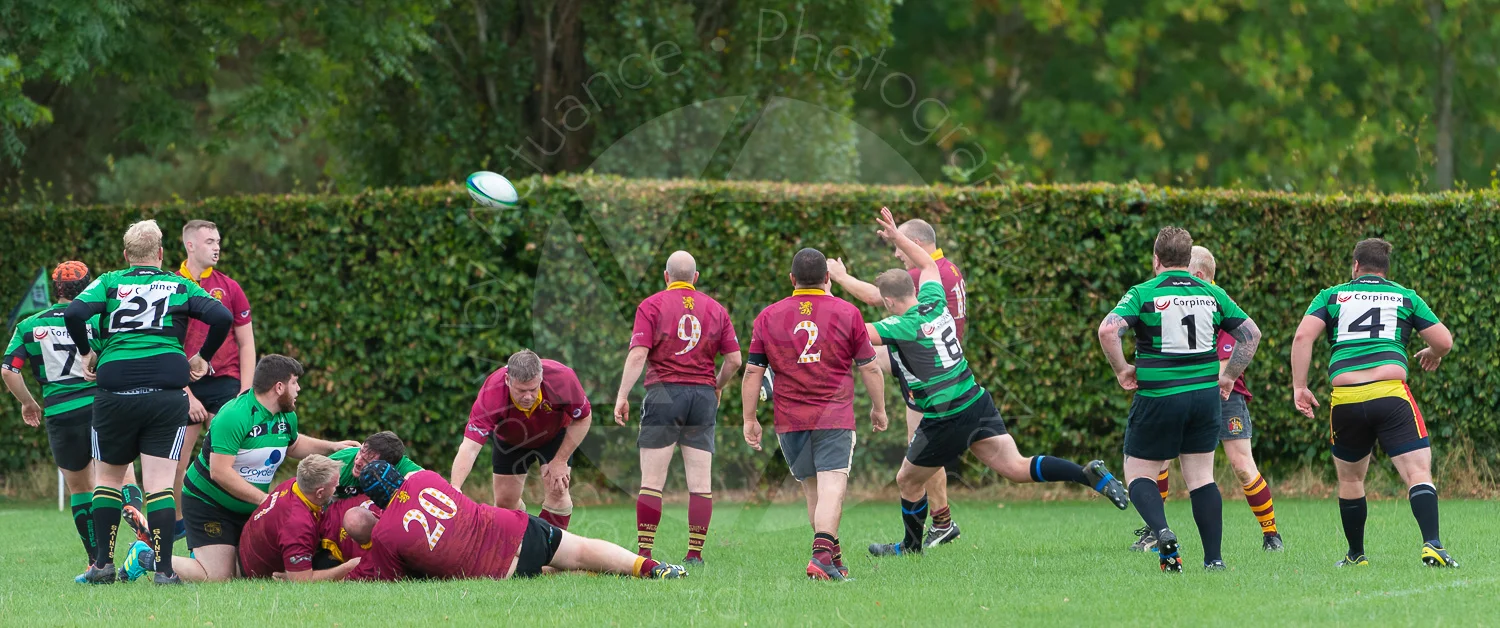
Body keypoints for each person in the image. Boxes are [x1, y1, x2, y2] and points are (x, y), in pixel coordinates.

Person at [862, 206, 1129, 559]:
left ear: (890, 301)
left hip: (945, 416)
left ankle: (911, 548)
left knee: (907, 480)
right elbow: (927, 265)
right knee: (1017, 468)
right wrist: (897, 236)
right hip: (975, 400)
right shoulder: (935, 301)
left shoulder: (901, 326)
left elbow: (859, 333)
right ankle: (1088, 474)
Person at [63, 219, 234, 585]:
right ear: (160, 254)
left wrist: (87, 352)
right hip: (165, 392)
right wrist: (202, 357)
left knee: (107, 479)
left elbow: (75, 313)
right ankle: (165, 570)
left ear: (126, 256)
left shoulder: (109, 281)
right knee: (159, 484)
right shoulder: (178, 284)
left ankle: (102, 566)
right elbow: (221, 316)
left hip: (115, 392)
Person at [1097, 226, 1262, 572]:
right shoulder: (1210, 293)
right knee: (1202, 477)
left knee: (1138, 471)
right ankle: (1214, 559)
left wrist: (1123, 369)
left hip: (1159, 397)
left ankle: (1162, 533)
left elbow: (1109, 330)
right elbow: (1250, 334)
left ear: (1156, 259)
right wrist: (1229, 376)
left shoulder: (1144, 293)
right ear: (1188, 261)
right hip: (1204, 398)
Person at [1291, 238, 1456, 568]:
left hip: (1346, 398)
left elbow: (1302, 337)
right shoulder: (1404, 296)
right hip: (1390, 394)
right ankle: (1432, 544)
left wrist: (1300, 387)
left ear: (1355, 266)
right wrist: (1432, 353)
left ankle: (1356, 555)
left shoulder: (1333, 295)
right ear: (1385, 270)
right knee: (1418, 471)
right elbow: (1444, 341)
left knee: (1351, 479)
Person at [137, 354, 358, 582]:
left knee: (247, 571)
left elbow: (293, 445)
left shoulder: (286, 416)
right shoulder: (234, 415)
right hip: (209, 504)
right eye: (295, 383)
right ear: (279, 387)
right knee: (219, 576)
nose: (299, 389)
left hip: (247, 507)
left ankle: (203, 552)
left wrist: (332, 446)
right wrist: (266, 501)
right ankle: (146, 555)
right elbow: (219, 472)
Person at [741, 247, 889, 581]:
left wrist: (750, 419)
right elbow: (870, 368)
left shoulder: (767, 316)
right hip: (833, 416)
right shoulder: (848, 312)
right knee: (833, 486)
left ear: (792, 280)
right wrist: (878, 409)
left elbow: (753, 373)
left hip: (789, 419)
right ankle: (821, 557)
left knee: (813, 491)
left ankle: (832, 560)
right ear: (826, 279)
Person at [827, 218, 968, 549]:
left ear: (916, 244)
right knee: (864, 356)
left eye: (899, 245)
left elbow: (880, 297)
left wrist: (840, 277)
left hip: (930, 369)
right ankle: (941, 523)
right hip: (936, 359)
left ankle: (938, 526)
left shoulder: (922, 275)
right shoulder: (949, 269)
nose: (896, 253)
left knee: (922, 452)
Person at [3, 261, 148, 580]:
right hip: (101, 405)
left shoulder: (30, 325)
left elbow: (8, 370)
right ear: (86, 287)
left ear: (56, 289)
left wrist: (29, 402)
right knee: (122, 476)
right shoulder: (97, 318)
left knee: (80, 488)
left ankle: (97, 562)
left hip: (59, 412)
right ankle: (139, 528)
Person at [1132, 247, 1283, 553]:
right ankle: (1155, 529)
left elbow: (1232, 355)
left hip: (1225, 396)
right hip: (1189, 393)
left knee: (1241, 464)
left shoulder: (1216, 301)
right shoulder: (1179, 299)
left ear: (1198, 275)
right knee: (1158, 460)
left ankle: (1271, 534)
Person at [614, 250, 742, 565]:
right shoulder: (716, 309)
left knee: (652, 482)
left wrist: (622, 395)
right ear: (695, 278)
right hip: (702, 396)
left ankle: (644, 553)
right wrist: (717, 385)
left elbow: (637, 355)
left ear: (666, 276)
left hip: (663, 394)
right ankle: (694, 554)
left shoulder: (651, 305)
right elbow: (736, 360)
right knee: (700, 483)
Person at [348, 461, 687, 580]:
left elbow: (398, 578)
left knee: (549, 567)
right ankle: (651, 568)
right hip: (516, 528)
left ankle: (571, 570)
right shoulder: (428, 479)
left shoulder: (386, 535)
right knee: (582, 549)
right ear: (397, 474)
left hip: (505, 572)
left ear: (374, 501)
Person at [174, 219, 256, 541]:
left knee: (237, 461)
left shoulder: (230, 287)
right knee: (176, 464)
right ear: (190, 245)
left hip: (226, 382)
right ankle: (181, 527)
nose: (217, 246)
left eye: (218, 240)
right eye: (209, 241)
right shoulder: (170, 285)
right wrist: (187, 395)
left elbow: (246, 343)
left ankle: (243, 522)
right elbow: (165, 349)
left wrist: (246, 392)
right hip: (183, 385)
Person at [450, 349, 591, 529]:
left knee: (558, 491)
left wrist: (560, 460)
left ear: (541, 378)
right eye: (521, 390)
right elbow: (469, 447)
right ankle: (524, 539)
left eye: (533, 389)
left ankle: (551, 548)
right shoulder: (491, 392)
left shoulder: (562, 378)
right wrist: (455, 487)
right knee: (504, 503)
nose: (528, 396)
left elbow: (584, 417)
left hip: (554, 435)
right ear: (508, 380)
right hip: (510, 441)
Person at [237, 454, 361, 580]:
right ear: (319, 493)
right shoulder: (298, 525)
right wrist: (348, 566)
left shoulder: (294, 485)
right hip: (258, 573)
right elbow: (302, 580)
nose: (337, 488)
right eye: (335, 486)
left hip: (249, 547)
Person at [328, 430, 423, 498]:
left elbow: (429, 481)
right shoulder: (339, 462)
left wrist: (406, 485)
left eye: (366, 461)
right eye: (360, 451)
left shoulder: (399, 464)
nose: (357, 462)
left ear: (386, 466)